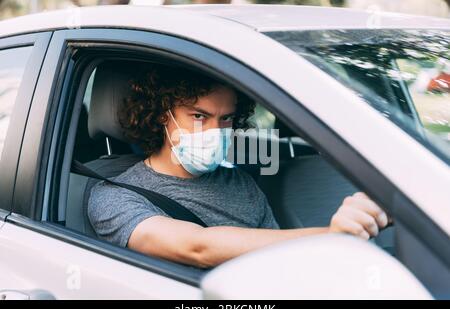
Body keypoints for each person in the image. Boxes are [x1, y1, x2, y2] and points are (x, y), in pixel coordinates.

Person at [88, 65, 389, 268]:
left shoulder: (241, 183)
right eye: (198, 116)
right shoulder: (114, 195)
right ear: (163, 115)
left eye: (226, 119)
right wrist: (330, 236)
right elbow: (197, 246)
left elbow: (276, 260)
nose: (214, 131)